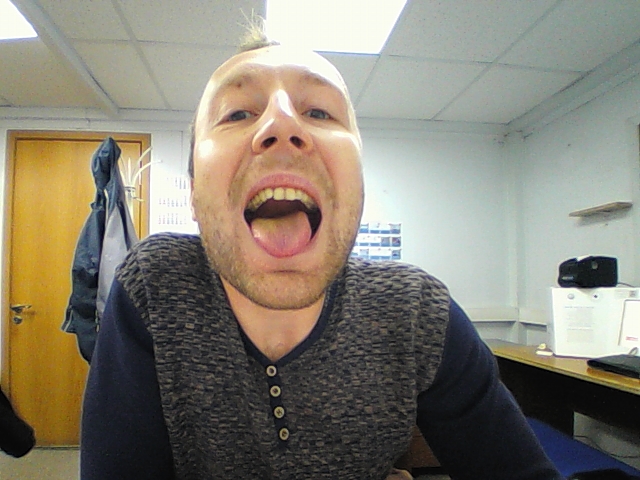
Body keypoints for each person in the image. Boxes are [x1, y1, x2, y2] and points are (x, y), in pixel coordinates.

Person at [80, 23, 563, 480]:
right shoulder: (156, 288)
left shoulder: (416, 312)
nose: (281, 124)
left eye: (319, 112)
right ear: (193, 192)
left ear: (357, 185)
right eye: (238, 113)